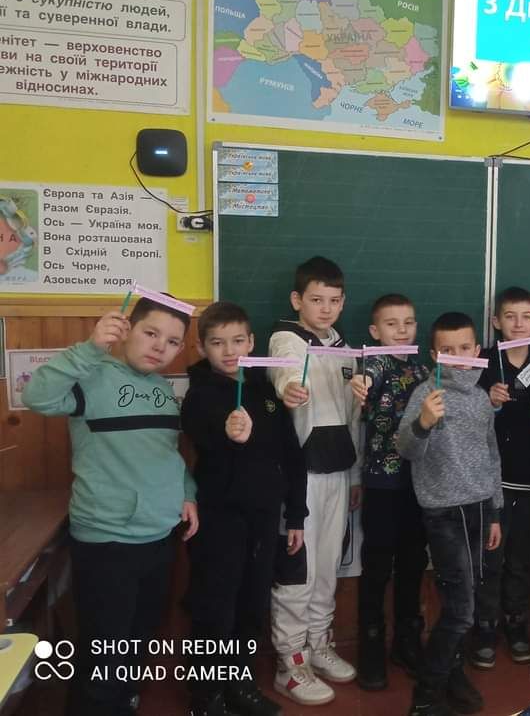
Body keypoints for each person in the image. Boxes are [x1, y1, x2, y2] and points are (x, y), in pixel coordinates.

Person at [24, 297, 198, 716]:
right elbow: (36, 396)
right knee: (104, 648)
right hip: (107, 541)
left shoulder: (162, 390)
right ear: (127, 329)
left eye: (172, 341)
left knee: (139, 636)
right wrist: (89, 348)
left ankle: (123, 701)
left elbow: (167, 454)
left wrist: (187, 493)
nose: (159, 346)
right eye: (150, 333)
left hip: (160, 535)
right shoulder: (92, 375)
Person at [182, 301, 307, 716]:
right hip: (220, 521)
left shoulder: (265, 390)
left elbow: (291, 455)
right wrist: (229, 432)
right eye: (217, 343)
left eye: (237, 340)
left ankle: (240, 684)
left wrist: (295, 515)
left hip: (264, 519)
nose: (229, 350)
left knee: (252, 605)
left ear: (252, 342)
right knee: (215, 608)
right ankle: (206, 697)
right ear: (202, 347)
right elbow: (204, 431)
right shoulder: (199, 394)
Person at [267, 256, 367, 706]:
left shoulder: (346, 348)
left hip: (338, 473)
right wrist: (289, 387)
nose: (325, 309)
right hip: (301, 478)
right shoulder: (286, 338)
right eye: (316, 300)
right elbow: (285, 370)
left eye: (334, 301)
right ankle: (290, 663)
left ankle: (318, 644)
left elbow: (353, 419)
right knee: (298, 572)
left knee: (327, 567)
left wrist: (356, 474)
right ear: (297, 300)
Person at [398, 312, 503, 716]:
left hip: (479, 509)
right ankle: (426, 696)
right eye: (447, 350)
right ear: (434, 355)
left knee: (467, 601)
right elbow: (407, 449)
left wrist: (494, 511)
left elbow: (492, 455)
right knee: (460, 611)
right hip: (443, 514)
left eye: (464, 348)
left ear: (476, 351)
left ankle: (452, 672)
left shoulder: (481, 398)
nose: (457, 357)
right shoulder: (426, 394)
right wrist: (423, 423)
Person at [472, 286, 530, 668]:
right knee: (490, 557)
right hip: (491, 481)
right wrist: (488, 401)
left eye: (526, 316)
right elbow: (463, 417)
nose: (518, 324)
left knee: (521, 558)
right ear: (496, 322)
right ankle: (485, 624)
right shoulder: (482, 363)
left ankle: (515, 621)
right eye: (510, 316)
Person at [355, 294, 430, 691]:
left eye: (408, 322)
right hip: (382, 484)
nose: (402, 330)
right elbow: (365, 380)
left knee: (413, 563)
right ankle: (370, 646)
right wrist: (361, 384)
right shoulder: (374, 363)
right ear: (374, 331)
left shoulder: (423, 368)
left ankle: (407, 639)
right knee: (377, 566)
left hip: (419, 484)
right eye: (391, 323)